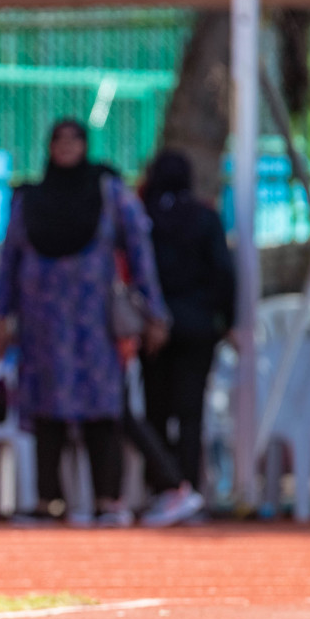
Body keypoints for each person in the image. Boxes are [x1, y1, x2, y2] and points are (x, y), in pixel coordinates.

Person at [0, 119, 168, 528]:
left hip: (94, 325)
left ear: (86, 146)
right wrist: (2, 315)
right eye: (59, 139)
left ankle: (108, 500)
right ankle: (48, 501)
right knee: (45, 409)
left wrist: (154, 313)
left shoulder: (109, 194)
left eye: (76, 139)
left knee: (102, 409)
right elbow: (9, 260)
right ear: (49, 147)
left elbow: (140, 251)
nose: (68, 146)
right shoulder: (30, 200)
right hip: (43, 325)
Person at [136, 149, 232, 526]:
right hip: (198, 325)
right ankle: (189, 488)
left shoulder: (146, 217)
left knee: (156, 410)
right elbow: (224, 271)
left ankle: (164, 490)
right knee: (191, 414)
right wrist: (228, 319)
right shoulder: (205, 216)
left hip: (155, 328)